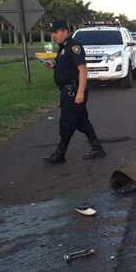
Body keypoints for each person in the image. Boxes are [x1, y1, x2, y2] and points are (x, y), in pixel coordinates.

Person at [42, 20, 106, 164]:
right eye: (52, 33)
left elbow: (82, 71)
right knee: (82, 121)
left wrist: (80, 93)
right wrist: (53, 65)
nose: (53, 35)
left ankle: (60, 154)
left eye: (56, 32)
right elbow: (66, 67)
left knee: (67, 123)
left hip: (73, 91)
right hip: (68, 91)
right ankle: (97, 148)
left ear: (64, 31)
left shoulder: (74, 46)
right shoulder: (63, 47)